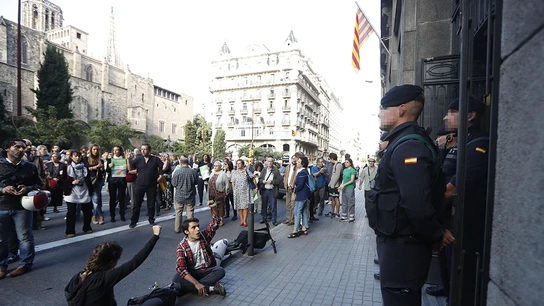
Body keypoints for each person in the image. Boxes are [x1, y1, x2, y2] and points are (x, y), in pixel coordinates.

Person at [369, 84, 454, 306]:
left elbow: (416, 202)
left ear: (402, 108)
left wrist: (435, 234)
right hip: (399, 243)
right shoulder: (402, 141)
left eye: (383, 107)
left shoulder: (410, 145)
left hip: (404, 248)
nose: (379, 113)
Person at [443, 97, 488, 305]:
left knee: (464, 283)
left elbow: (451, 190)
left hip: (469, 226)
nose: (446, 116)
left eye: (452, 112)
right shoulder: (464, 142)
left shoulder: (478, 146)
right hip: (457, 221)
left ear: (470, 115)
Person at [65, 225, 163, 306]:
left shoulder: (77, 277)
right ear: (111, 262)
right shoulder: (104, 278)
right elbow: (136, 261)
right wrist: (155, 236)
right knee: (156, 302)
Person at [0, 138, 42, 279]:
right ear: (7, 148)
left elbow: (39, 184)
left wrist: (28, 188)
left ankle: (25, 264)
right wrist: (3, 189)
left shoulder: (30, 166)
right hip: (2, 206)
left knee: (25, 237)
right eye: (17, 147)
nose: (21, 150)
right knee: (1, 239)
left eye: (23, 147)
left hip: (23, 206)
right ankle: (1, 265)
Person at [172, 204, 226, 297]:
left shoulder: (203, 236)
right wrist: (196, 283)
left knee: (220, 270)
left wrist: (213, 207)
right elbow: (181, 268)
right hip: (193, 272)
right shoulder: (182, 246)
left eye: (198, 226)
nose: (197, 229)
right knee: (176, 278)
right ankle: (210, 288)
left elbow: (215, 224)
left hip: (206, 270)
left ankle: (189, 288)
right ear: (186, 232)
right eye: (193, 227)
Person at [127, 144, 166, 228]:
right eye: (142, 149)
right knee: (136, 204)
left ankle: (151, 220)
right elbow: (130, 169)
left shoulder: (155, 159)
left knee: (151, 204)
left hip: (152, 185)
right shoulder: (138, 159)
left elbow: (162, 168)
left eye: (145, 149)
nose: (143, 151)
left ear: (149, 150)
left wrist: (161, 174)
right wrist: (128, 160)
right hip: (139, 184)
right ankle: (133, 221)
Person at [64, 151, 94, 238]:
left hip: (84, 190)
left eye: (79, 156)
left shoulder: (85, 167)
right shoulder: (67, 167)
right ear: (71, 157)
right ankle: (70, 230)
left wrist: (91, 189)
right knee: (71, 212)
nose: (77, 158)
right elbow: (63, 180)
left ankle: (87, 227)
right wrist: (72, 182)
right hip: (72, 191)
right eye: (75, 156)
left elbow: (88, 179)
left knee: (87, 211)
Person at [171, 156, 199, 233]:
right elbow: (196, 182)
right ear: (188, 163)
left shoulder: (177, 172)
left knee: (178, 212)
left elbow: (173, 184)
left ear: (180, 163)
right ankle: (191, 228)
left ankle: (177, 228)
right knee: (190, 212)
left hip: (179, 195)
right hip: (190, 194)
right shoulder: (193, 172)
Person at [287, 156, 311, 238]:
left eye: (298, 162)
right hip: (305, 194)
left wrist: (294, 191)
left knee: (297, 211)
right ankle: (304, 227)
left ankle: (295, 229)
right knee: (303, 211)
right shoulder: (304, 171)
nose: (297, 162)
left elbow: (300, 185)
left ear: (302, 164)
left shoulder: (302, 172)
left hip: (301, 195)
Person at [106, 146, 129, 223]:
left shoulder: (124, 160)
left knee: (122, 198)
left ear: (120, 151)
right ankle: (112, 215)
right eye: (114, 150)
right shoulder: (110, 160)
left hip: (122, 180)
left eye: (117, 150)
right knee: (112, 198)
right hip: (112, 181)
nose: (115, 152)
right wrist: (109, 167)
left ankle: (122, 215)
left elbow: (128, 170)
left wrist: (126, 168)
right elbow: (107, 171)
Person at [85, 145, 106, 225]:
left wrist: (102, 168)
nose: (95, 151)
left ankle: (95, 215)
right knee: (95, 198)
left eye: (97, 149)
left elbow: (103, 171)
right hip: (90, 180)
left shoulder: (100, 160)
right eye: (94, 149)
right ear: (91, 150)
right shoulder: (86, 159)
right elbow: (85, 168)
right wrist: (95, 167)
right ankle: (99, 214)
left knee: (97, 197)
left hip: (99, 180)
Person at [231, 159, 254, 227]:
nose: (238, 165)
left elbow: (253, 177)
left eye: (239, 163)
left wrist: (254, 187)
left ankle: (244, 220)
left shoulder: (246, 171)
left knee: (245, 207)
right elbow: (233, 182)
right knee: (239, 207)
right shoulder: (234, 172)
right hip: (237, 191)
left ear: (243, 164)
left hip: (246, 191)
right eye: (237, 163)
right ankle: (241, 219)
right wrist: (234, 190)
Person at [258, 157, 281, 226]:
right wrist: (263, 181)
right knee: (264, 205)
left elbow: (279, 180)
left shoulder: (276, 170)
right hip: (265, 190)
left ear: (273, 162)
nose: (270, 163)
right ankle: (264, 218)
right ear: (266, 162)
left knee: (273, 206)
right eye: (268, 161)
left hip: (272, 190)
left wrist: (272, 181)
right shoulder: (264, 169)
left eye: (271, 161)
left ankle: (274, 220)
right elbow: (260, 179)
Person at [282, 154, 300, 225]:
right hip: (287, 187)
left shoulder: (297, 168)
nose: (294, 160)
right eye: (293, 159)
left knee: (293, 205)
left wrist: (293, 185)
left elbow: (295, 177)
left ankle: (292, 219)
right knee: (287, 204)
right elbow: (286, 176)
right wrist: (285, 184)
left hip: (293, 188)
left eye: (295, 159)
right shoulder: (288, 167)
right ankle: (288, 218)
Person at [208, 161, 228, 226]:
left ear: (220, 166)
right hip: (211, 193)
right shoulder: (212, 173)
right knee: (213, 207)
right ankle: (215, 220)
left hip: (220, 192)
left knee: (220, 206)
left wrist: (226, 191)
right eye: (214, 165)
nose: (215, 167)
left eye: (217, 165)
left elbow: (226, 183)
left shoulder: (223, 174)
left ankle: (221, 219)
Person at [338, 158, 357, 222]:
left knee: (350, 202)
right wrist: (340, 186)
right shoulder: (344, 170)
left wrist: (344, 185)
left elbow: (352, 180)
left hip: (350, 188)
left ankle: (351, 216)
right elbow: (343, 179)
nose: (346, 163)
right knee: (344, 202)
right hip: (344, 188)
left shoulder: (352, 170)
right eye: (345, 162)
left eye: (347, 162)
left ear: (350, 163)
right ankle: (344, 216)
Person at [326, 153, 342, 218]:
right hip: (332, 184)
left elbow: (337, 175)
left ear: (332, 158)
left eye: (330, 159)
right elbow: (333, 175)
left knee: (336, 198)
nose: (329, 160)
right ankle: (332, 212)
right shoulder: (335, 165)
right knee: (333, 198)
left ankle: (337, 212)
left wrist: (332, 185)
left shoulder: (338, 165)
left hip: (335, 185)